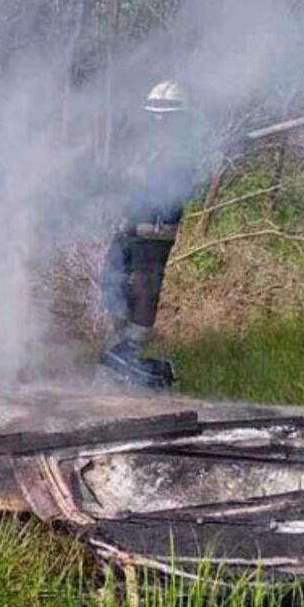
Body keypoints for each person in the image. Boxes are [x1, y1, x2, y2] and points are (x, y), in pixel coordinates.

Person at [99, 79, 203, 389]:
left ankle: (129, 349)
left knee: (144, 289)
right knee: (110, 281)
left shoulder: (185, 148)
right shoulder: (148, 143)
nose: (158, 118)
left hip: (155, 232)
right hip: (129, 228)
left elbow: (176, 182)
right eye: (155, 111)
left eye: (166, 113)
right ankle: (121, 350)